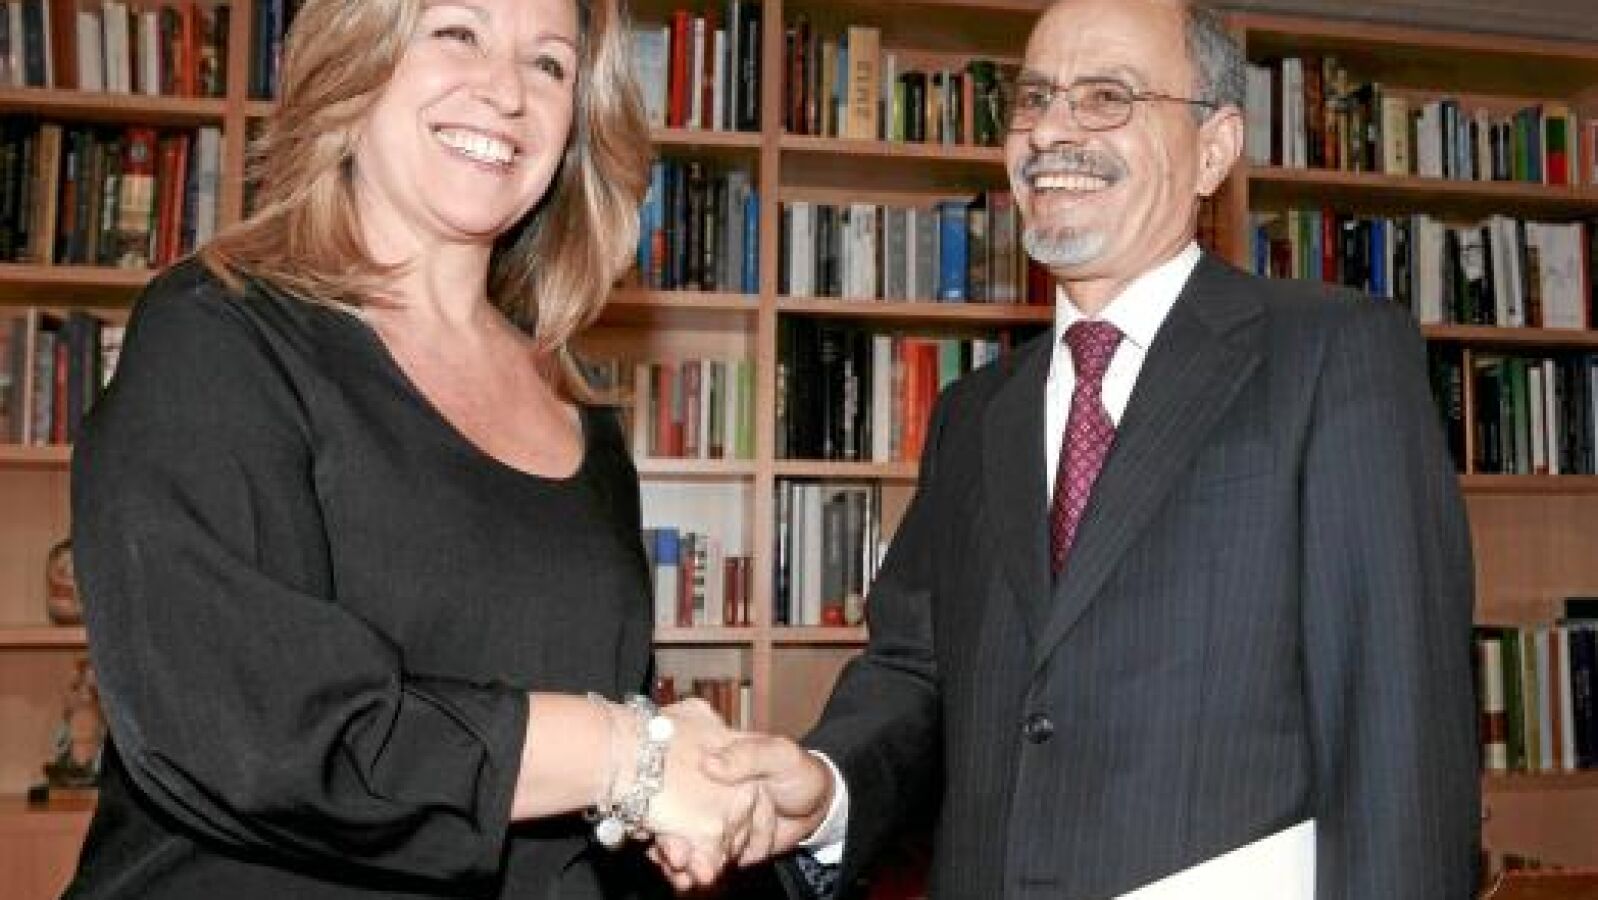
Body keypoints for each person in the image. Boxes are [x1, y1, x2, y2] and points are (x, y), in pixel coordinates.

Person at [690, 0, 1481, 897]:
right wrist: (827, 789)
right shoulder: (971, 414)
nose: (1051, 130)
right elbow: (915, 673)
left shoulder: (1332, 355)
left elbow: (1401, 733)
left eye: (1107, 96)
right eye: (1034, 98)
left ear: (1213, 149)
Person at [64, 0, 756, 896]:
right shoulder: (218, 333)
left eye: (549, 64)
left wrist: (728, 797)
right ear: (358, 59)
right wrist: (628, 753)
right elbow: (255, 728)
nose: (506, 92)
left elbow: (579, 801)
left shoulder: (580, 411)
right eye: (458, 33)